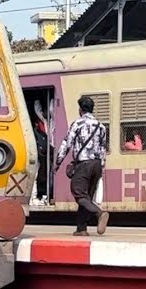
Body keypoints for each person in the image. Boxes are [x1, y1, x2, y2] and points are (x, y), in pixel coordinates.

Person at [55, 95, 109, 236]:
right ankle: (81, 228)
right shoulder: (101, 127)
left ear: (80, 109)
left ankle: (100, 214)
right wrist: (101, 167)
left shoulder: (77, 124)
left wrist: (58, 163)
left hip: (83, 164)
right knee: (87, 198)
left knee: (79, 195)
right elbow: (103, 149)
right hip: (96, 165)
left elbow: (67, 144)